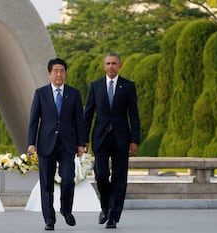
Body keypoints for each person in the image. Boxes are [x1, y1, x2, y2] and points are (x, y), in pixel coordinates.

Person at [83, 52, 140, 229]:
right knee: (100, 174)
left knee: (119, 178)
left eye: (114, 63)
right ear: (104, 66)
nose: (111, 66)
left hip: (122, 138)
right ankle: (105, 206)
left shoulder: (128, 86)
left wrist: (134, 140)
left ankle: (114, 216)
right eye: (108, 63)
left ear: (120, 66)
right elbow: (88, 115)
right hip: (100, 138)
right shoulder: (95, 86)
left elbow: (134, 116)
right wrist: (83, 140)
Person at [28, 58, 85, 231]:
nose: (59, 74)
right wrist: (31, 143)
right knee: (46, 184)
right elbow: (33, 120)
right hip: (46, 144)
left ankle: (66, 209)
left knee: (68, 179)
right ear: (49, 74)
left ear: (65, 73)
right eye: (55, 71)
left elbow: (79, 121)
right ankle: (49, 219)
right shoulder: (40, 93)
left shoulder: (74, 94)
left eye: (61, 71)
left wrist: (81, 143)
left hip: (68, 145)